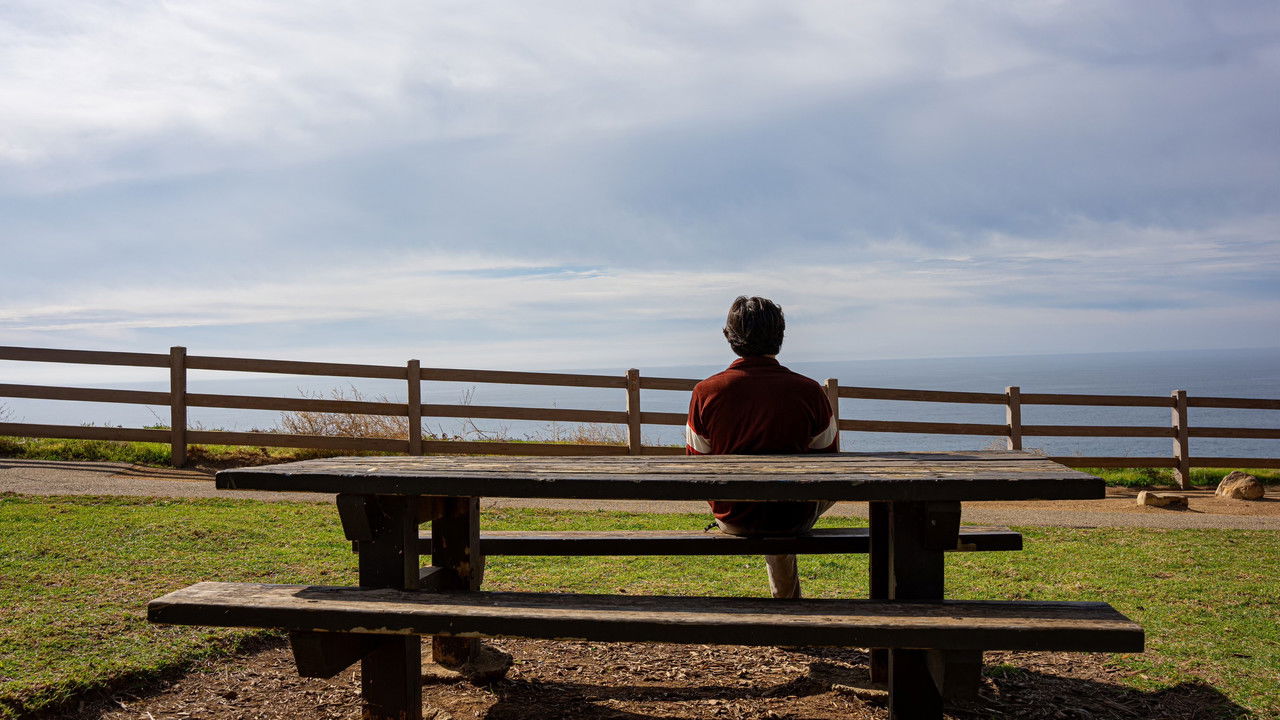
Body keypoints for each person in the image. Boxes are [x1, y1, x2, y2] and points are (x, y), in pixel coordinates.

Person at [685, 295, 838, 598]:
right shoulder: (808, 391)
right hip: (794, 517)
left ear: (729, 337)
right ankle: (787, 607)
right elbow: (830, 461)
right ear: (780, 337)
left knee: (771, 503)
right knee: (788, 504)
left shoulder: (706, 392)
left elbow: (696, 462)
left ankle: (787, 607)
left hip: (734, 516)